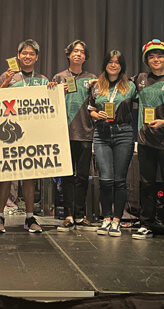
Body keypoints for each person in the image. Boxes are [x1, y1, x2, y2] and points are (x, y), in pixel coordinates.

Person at [130, 39, 164, 244]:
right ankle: (146, 224)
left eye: (160, 56)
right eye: (151, 56)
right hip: (145, 140)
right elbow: (118, 83)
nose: (156, 59)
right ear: (147, 59)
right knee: (147, 184)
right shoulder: (140, 78)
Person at [0, 39, 49, 233]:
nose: (27, 56)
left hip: (32, 134)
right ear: (18, 56)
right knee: (6, 175)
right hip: (10, 132)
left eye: (31, 54)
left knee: (29, 177)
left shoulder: (42, 78)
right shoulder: (8, 76)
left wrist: (54, 91)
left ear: (36, 57)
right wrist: (6, 81)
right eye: (24, 53)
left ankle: (29, 217)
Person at [88, 50, 137, 237]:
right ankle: (106, 218)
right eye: (110, 61)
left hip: (123, 133)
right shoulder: (96, 85)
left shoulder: (131, 86)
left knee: (119, 180)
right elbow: (90, 109)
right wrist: (95, 115)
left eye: (117, 62)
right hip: (101, 134)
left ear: (122, 65)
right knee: (106, 180)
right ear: (105, 64)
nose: (114, 65)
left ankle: (117, 220)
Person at [52, 40, 97, 232]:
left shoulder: (92, 78)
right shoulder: (59, 77)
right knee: (67, 176)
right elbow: (50, 104)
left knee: (82, 176)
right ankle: (68, 214)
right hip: (64, 133)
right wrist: (53, 90)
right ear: (68, 55)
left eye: (82, 52)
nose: (78, 54)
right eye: (75, 51)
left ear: (85, 57)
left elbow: (97, 103)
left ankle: (81, 214)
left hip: (85, 133)